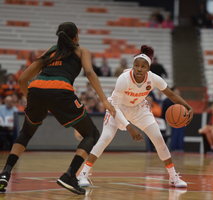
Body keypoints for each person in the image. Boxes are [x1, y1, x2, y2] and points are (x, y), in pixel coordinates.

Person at [0, 22, 116, 195]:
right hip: (61, 90)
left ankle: (4, 173)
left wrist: (31, 98)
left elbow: (23, 79)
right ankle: (70, 175)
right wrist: (104, 100)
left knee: (25, 133)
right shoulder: (81, 50)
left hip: (36, 89)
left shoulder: (50, 50)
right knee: (91, 134)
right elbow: (90, 73)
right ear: (76, 36)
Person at [77, 45, 193, 188]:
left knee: (158, 138)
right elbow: (116, 108)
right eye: (136, 65)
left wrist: (188, 107)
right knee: (105, 138)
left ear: (148, 69)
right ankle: (83, 173)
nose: (139, 68)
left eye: (143, 66)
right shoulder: (124, 79)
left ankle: (173, 177)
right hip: (116, 108)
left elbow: (171, 94)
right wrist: (129, 127)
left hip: (139, 109)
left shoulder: (153, 78)